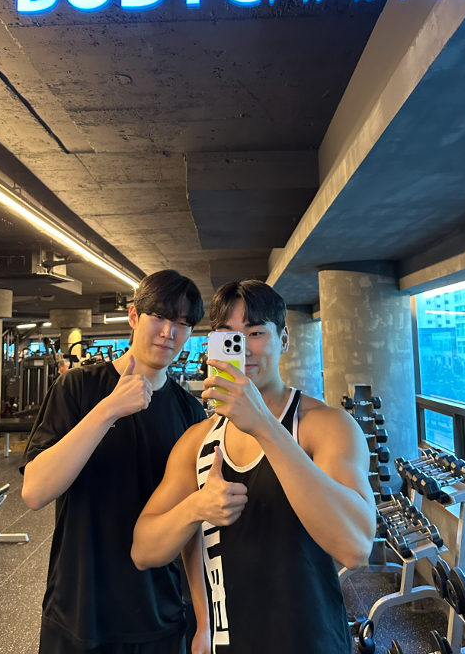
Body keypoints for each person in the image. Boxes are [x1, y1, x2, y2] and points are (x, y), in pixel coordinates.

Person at [132, 279, 376, 654]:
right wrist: (195, 508)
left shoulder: (325, 426)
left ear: (284, 339)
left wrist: (263, 424)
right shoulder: (197, 442)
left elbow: (355, 548)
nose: (242, 347)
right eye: (228, 336)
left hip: (309, 642)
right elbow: (144, 550)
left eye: (256, 333)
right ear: (213, 344)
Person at [21, 269, 208, 654]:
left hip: (160, 612)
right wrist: (108, 410)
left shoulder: (189, 411)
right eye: (159, 317)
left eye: (182, 323)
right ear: (134, 316)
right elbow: (35, 492)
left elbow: (193, 524)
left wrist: (203, 620)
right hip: (79, 608)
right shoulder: (77, 387)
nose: (169, 332)